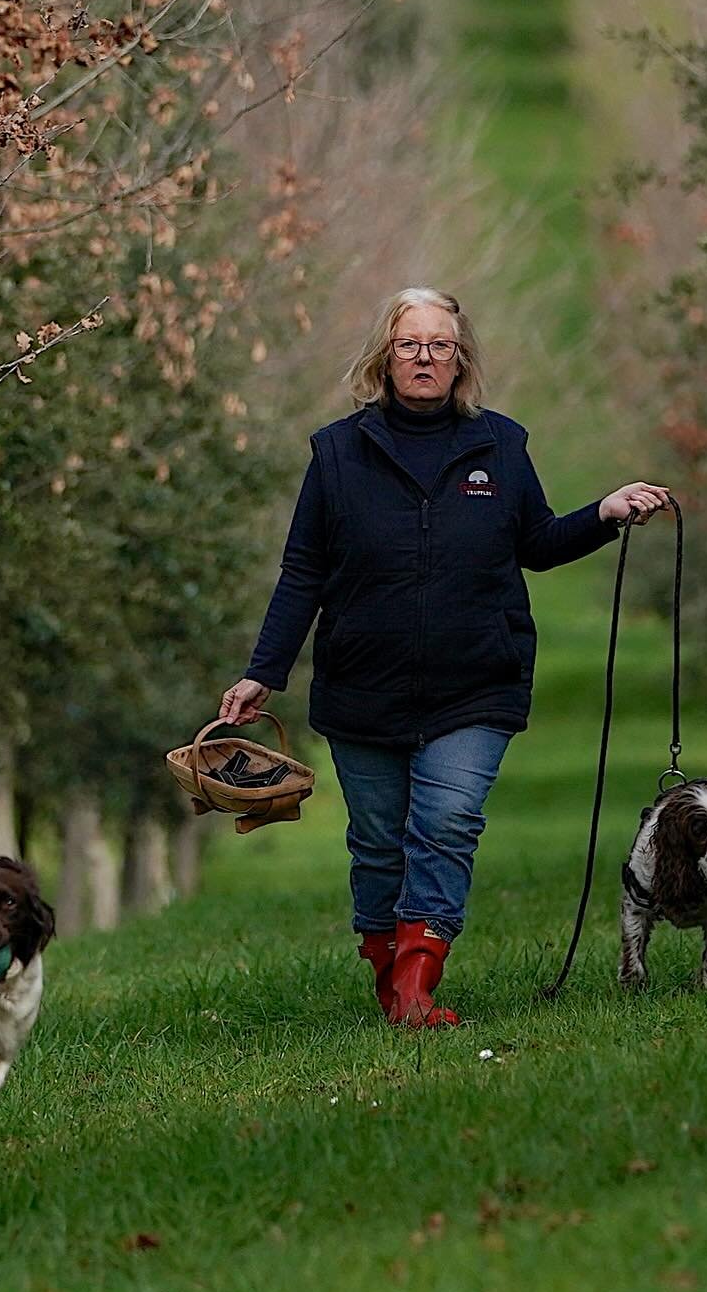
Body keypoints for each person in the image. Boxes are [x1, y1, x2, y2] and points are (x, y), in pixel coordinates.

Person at [219, 287, 670, 1027]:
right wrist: (264, 671)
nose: (425, 357)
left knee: (449, 821)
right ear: (384, 358)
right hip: (363, 684)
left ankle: (417, 987)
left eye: (440, 345)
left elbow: (537, 544)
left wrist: (604, 515)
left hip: (476, 682)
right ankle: (391, 976)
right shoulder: (337, 452)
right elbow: (304, 570)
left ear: (461, 360)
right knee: (375, 842)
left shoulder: (501, 444)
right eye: (409, 345)